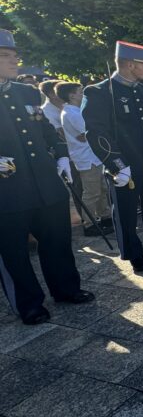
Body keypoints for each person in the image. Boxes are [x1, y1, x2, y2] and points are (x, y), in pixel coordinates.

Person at [0, 29, 94, 324]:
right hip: (7, 189)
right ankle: (28, 303)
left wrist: (61, 153)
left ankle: (66, 288)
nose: (15, 61)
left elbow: (43, 131)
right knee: (13, 251)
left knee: (57, 239)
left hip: (44, 181)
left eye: (15, 55)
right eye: (6, 56)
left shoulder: (26, 91)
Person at [83, 40, 143, 272]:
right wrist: (116, 164)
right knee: (126, 210)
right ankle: (132, 252)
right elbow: (96, 132)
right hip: (125, 164)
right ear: (129, 64)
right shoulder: (99, 91)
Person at [56, 81, 113, 236]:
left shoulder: (76, 110)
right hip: (85, 157)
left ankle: (105, 216)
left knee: (101, 189)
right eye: (80, 92)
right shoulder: (71, 113)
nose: (83, 95)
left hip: (93, 155)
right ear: (71, 95)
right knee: (91, 192)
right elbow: (86, 134)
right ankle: (89, 223)